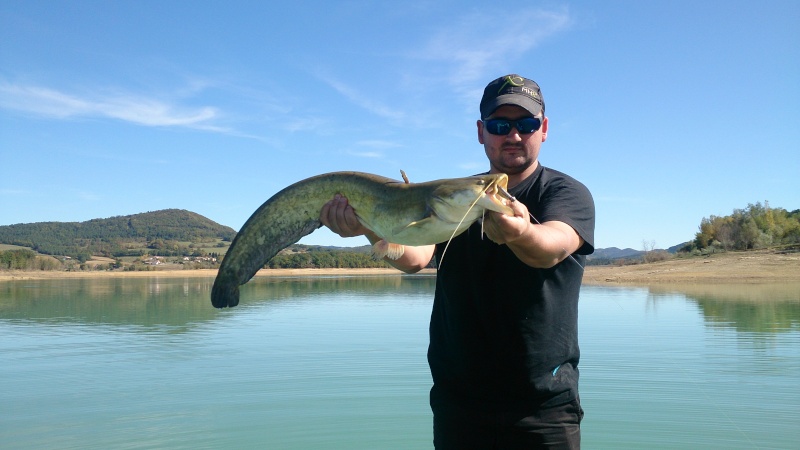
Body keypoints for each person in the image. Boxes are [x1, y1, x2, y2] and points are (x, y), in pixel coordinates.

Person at [320, 74, 595, 449]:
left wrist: (519, 233)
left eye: (526, 124)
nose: (513, 135)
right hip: (459, 404)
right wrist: (370, 225)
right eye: (500, 125)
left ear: (543, 129)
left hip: (543, 409)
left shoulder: (565, 193)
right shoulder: (455, 195)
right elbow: (416, 258)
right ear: (481, 132)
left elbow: (550, 247)